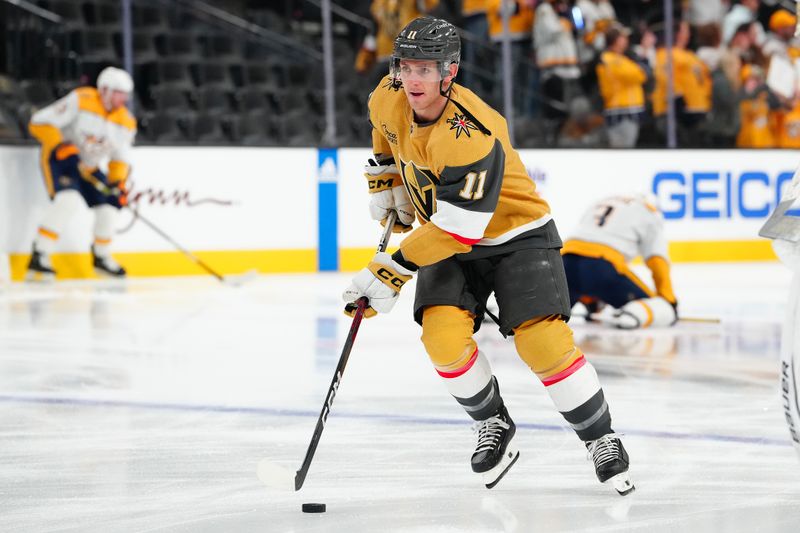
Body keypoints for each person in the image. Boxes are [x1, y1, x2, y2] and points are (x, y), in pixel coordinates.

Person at [343, 16, 634, 495]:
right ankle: (494, 422)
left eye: (426, 68)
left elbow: (460, 230)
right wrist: (387, 181)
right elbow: (383, 130)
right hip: (446, 234)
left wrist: (391, 269)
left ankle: (601, 438)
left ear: (449, 71)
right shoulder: (386, 93)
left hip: (515, 236)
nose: (412, 78)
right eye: (406, 66)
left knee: (541, 342)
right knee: (440, 337)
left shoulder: (472, 132)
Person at [26, 66, 135, 281]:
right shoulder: (82, 99)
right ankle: (40, 254)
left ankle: (101, 257)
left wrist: (118, 184)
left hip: (89, 167)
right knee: (68, 200)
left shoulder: (126, 121)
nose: (123, 99)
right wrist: (60, 146)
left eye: (125, 94)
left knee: (110, 204)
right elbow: (38, 122)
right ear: (104, 89)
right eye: (118, 93)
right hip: (62, 161)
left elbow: (119, 160)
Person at [561, 195, 678, 329]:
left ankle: (589, 300)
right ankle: (631, 316)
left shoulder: (602, 200)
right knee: (663, 308)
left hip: (564, 262)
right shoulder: (649, 212)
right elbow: (657, 259)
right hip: (602, 266)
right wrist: (668, 300)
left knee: (549, 317)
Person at [596, 24, 647, 148]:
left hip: (628, 109)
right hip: (620, 111)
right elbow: (637, 75)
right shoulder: (609, 59)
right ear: (616, 40)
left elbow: (642, 73)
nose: (626, 39)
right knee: (622, 149)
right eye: (623, 37)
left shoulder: (623, 59)